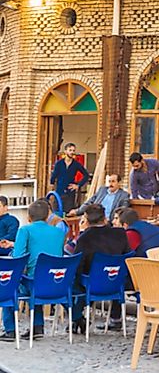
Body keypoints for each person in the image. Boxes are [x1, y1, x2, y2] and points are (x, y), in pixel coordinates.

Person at [0, 200, 64, 341]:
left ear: (29, 217)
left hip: (34, 281)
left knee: (10, 286)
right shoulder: (59, 232)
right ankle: (37, 326)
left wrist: (12, 249)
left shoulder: (25, 230)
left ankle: (10, 329)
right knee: (35, 279)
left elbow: (18, 257)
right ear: (48, 216)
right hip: (57, 282)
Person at [70, 204, 131, 334]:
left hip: (92, 284)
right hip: (117, 283)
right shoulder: (120, 234)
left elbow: (78, 264)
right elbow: (127, 256)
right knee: (112, 271)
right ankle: (115, 318)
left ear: (86, 219)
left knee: (75, 284)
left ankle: (77, 318)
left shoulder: (85, 238)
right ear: (105, 218)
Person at [49, 142, 90, 215]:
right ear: (65, 151)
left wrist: (78, 185)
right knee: (57, 212)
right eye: (70, 150)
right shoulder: (59, 163)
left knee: (68, 213)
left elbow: (86, 175)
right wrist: (51, 185)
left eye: (73, 150)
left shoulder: (76, 164)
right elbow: (54, 175)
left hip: (70, 193)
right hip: (59, 191)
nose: (72, 152)